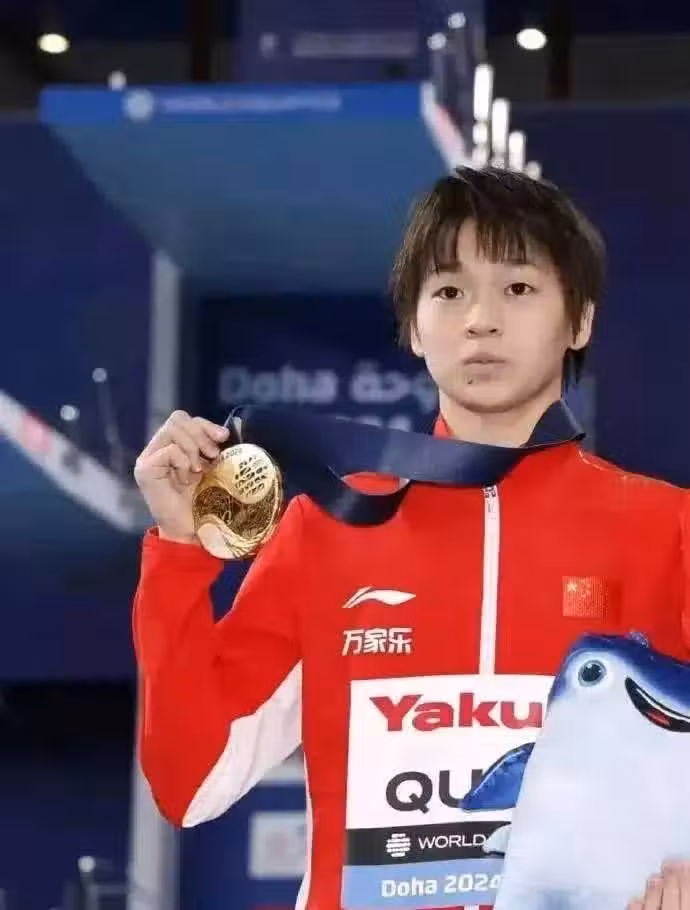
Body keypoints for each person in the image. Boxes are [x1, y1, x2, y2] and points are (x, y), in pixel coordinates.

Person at [132, 166, 690, 910]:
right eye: (449, 292)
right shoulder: (325, 530)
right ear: (415, 328)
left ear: (579, 320)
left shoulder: (668, 530)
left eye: (518, 287)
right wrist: (178, 551)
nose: (480, 319)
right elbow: (190, 781)